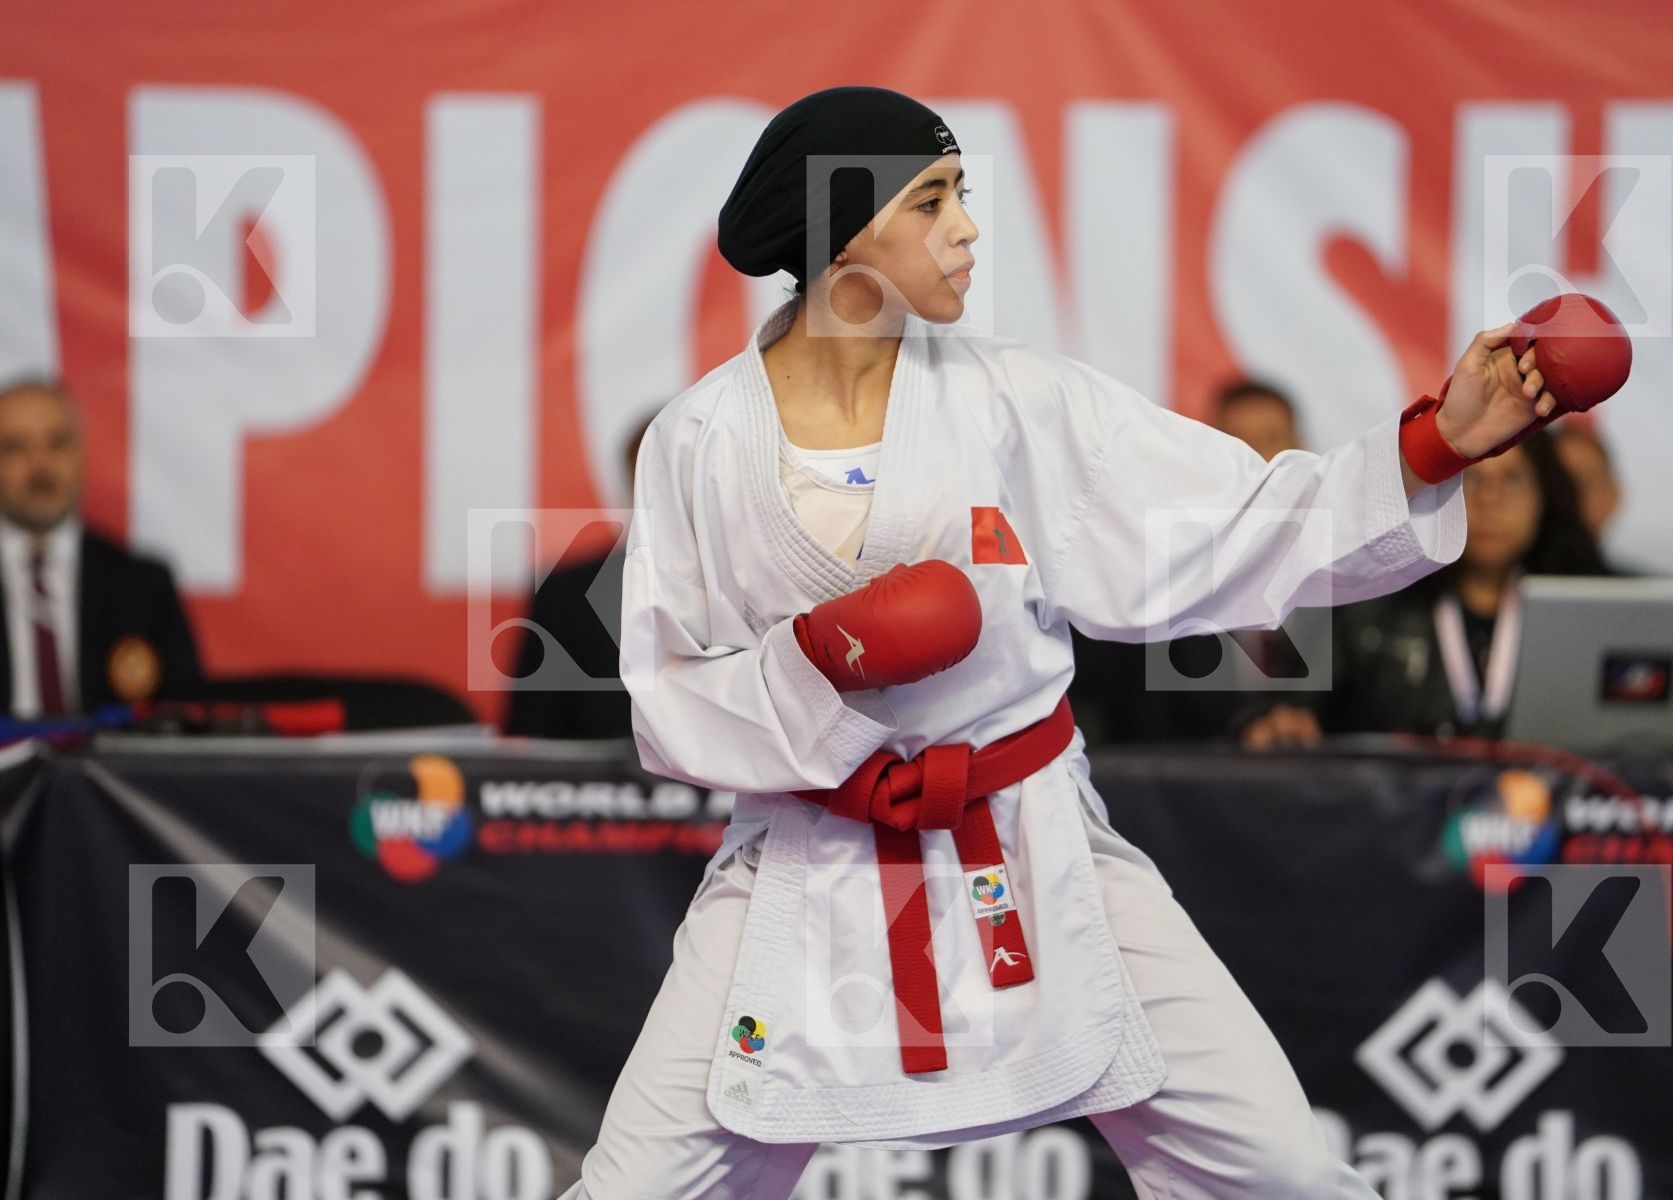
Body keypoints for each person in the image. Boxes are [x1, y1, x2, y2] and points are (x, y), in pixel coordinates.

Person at [566, 86, 1566, 1200]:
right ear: (842, 230)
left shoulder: (1017, 403)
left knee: (1282, 1171)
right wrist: (823, 659)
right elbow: (669, 698)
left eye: (963, 195)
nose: (967, 228)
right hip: (805, 862)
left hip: (1032, 840)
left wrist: (1436, 445)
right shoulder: (700, 439)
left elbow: (1235, 526)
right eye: (931, 200)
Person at [1240, 434, 1608, 747]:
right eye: (1470, 478)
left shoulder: (1588, 612)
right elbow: (1286, 709)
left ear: (1545, 497)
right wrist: (1282, 721)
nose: (1489, 499)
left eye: (1512, 478)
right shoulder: (1365, 601)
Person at [1068, 378, 1309, 747]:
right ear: (1205, 459)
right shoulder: (1150, 583)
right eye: (1237, 444)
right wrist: (1241, 731)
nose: (1258, 460)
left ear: (1303, 451)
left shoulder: (1357, 583)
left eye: (1273, 439)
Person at [0, 377, 201, 717]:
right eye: (16, 447)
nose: (40, 467)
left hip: (106, 755)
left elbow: (185, 716)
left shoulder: (143, 586)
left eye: (57, 443)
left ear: (81, 454)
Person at [502, 414, 656, 739]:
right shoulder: (566, 595)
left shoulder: (754, 590)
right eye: (655, 477)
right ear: (631, 484)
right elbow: (529, 735)